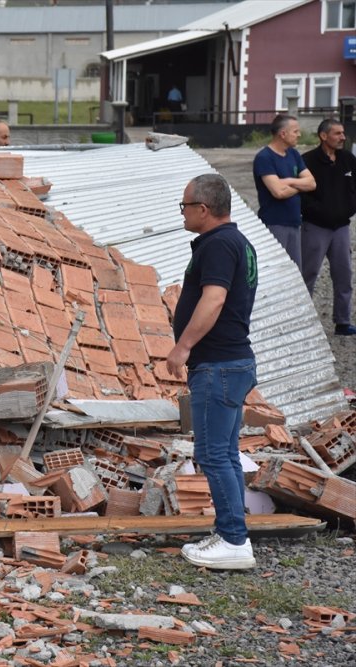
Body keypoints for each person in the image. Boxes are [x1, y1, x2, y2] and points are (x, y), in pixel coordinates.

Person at [167, 173, 258, 570]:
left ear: (203, 209)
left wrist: (183, 346)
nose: (182, 212)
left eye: (185, 205)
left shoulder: (220, 245)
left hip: (218, 364)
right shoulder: (236, 241)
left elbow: (215, 298)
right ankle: (230, 532)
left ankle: (235, 541)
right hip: (230, 363)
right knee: (226, 454)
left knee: (213, 454)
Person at [300, 119, 356, 336]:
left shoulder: (347, 159)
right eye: (337, 133)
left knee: (344, 274)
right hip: (315, 227)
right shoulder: (308, 161)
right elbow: (302, 195)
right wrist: (317, 211)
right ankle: (302, 322)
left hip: (342, 228)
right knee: (308, 273)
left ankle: (342, 322)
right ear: (324, 136)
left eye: (343, 133)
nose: (342, 137)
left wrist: (350, 207)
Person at [252, 114, 316, 267]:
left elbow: (312, 183)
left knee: (295, 272)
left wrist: (288, 181)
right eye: (295, 131)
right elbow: (278, 192)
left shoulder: (293, 154)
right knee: (277, 270)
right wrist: (301, 186)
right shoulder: (264, 157)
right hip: (275, 224)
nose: (299, 135)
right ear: (283, 134)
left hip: (294, 223)